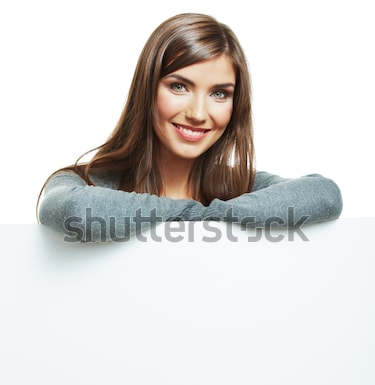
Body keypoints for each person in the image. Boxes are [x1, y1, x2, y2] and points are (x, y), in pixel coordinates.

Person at [37, 13, 342, 242]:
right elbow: (74, 211)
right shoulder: (89, 181)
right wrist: (190, 212)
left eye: (219, 93)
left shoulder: (237, 185)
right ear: (148, 89)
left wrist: (213, 212)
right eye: (179, 86)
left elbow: (324, 193)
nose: (198, 113)